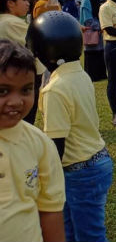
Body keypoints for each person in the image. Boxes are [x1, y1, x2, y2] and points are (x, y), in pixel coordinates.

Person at [29, 11, 113, 242]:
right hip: (95, 162)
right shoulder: (80, 74)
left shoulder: (54, 90)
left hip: (79, 172)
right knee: (68, 229)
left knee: (89, 235)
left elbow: (57, 146)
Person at [0, 40, 66, 242]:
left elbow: (50, 210)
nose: (16, 101)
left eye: (26, 90)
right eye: (3, 91)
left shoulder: (40, 143)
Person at [0, 0, 46, 124]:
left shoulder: (4, 21)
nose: (28, 3)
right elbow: (38, 45)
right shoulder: (12, 23)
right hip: (24, 74)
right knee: (25, 117)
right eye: (24, 0)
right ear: (10, 3)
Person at [79, 0, 107, 82]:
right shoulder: (86, 2)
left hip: (97, 31)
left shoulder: (93, 1)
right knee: (92, 54)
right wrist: (100, 26)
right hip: (90, 31)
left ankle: (100, 74)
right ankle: (92, 75)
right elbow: (88, 20)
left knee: (99, 52)